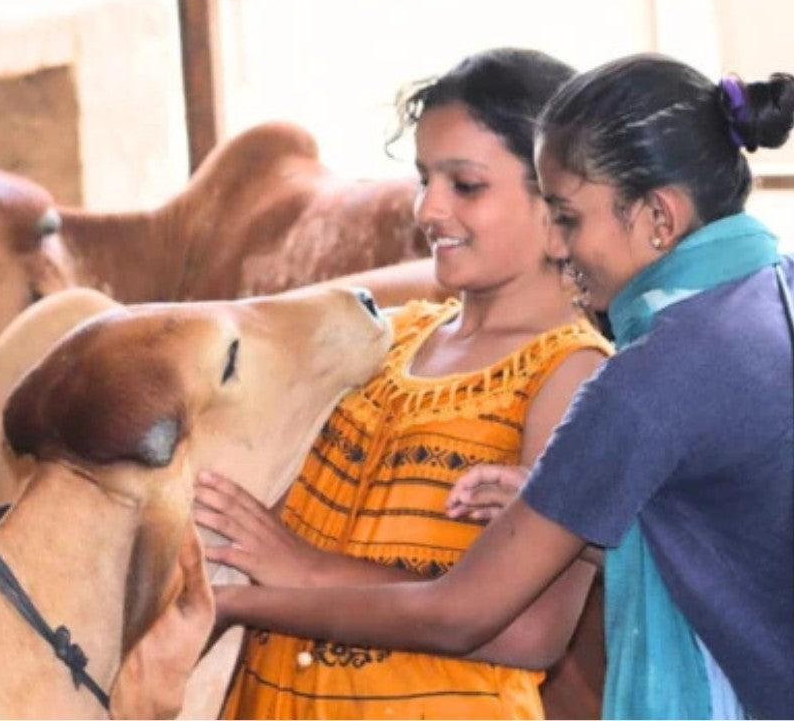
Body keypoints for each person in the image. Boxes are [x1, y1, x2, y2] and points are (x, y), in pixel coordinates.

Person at [197, 53, 794, 720]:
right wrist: (586, 524)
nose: (560, 246)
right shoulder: (768, 295)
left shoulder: (638, 377)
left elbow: (467, 616)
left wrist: (235, 600)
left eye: (566, 218)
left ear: (659, 216)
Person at [195, 47, 612, 719]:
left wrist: (301, 574)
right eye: (424, 179)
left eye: (465, 186)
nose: (429, 209)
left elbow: (530, 633)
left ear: (560, 208)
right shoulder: (385, 340)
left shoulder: (570, 376)